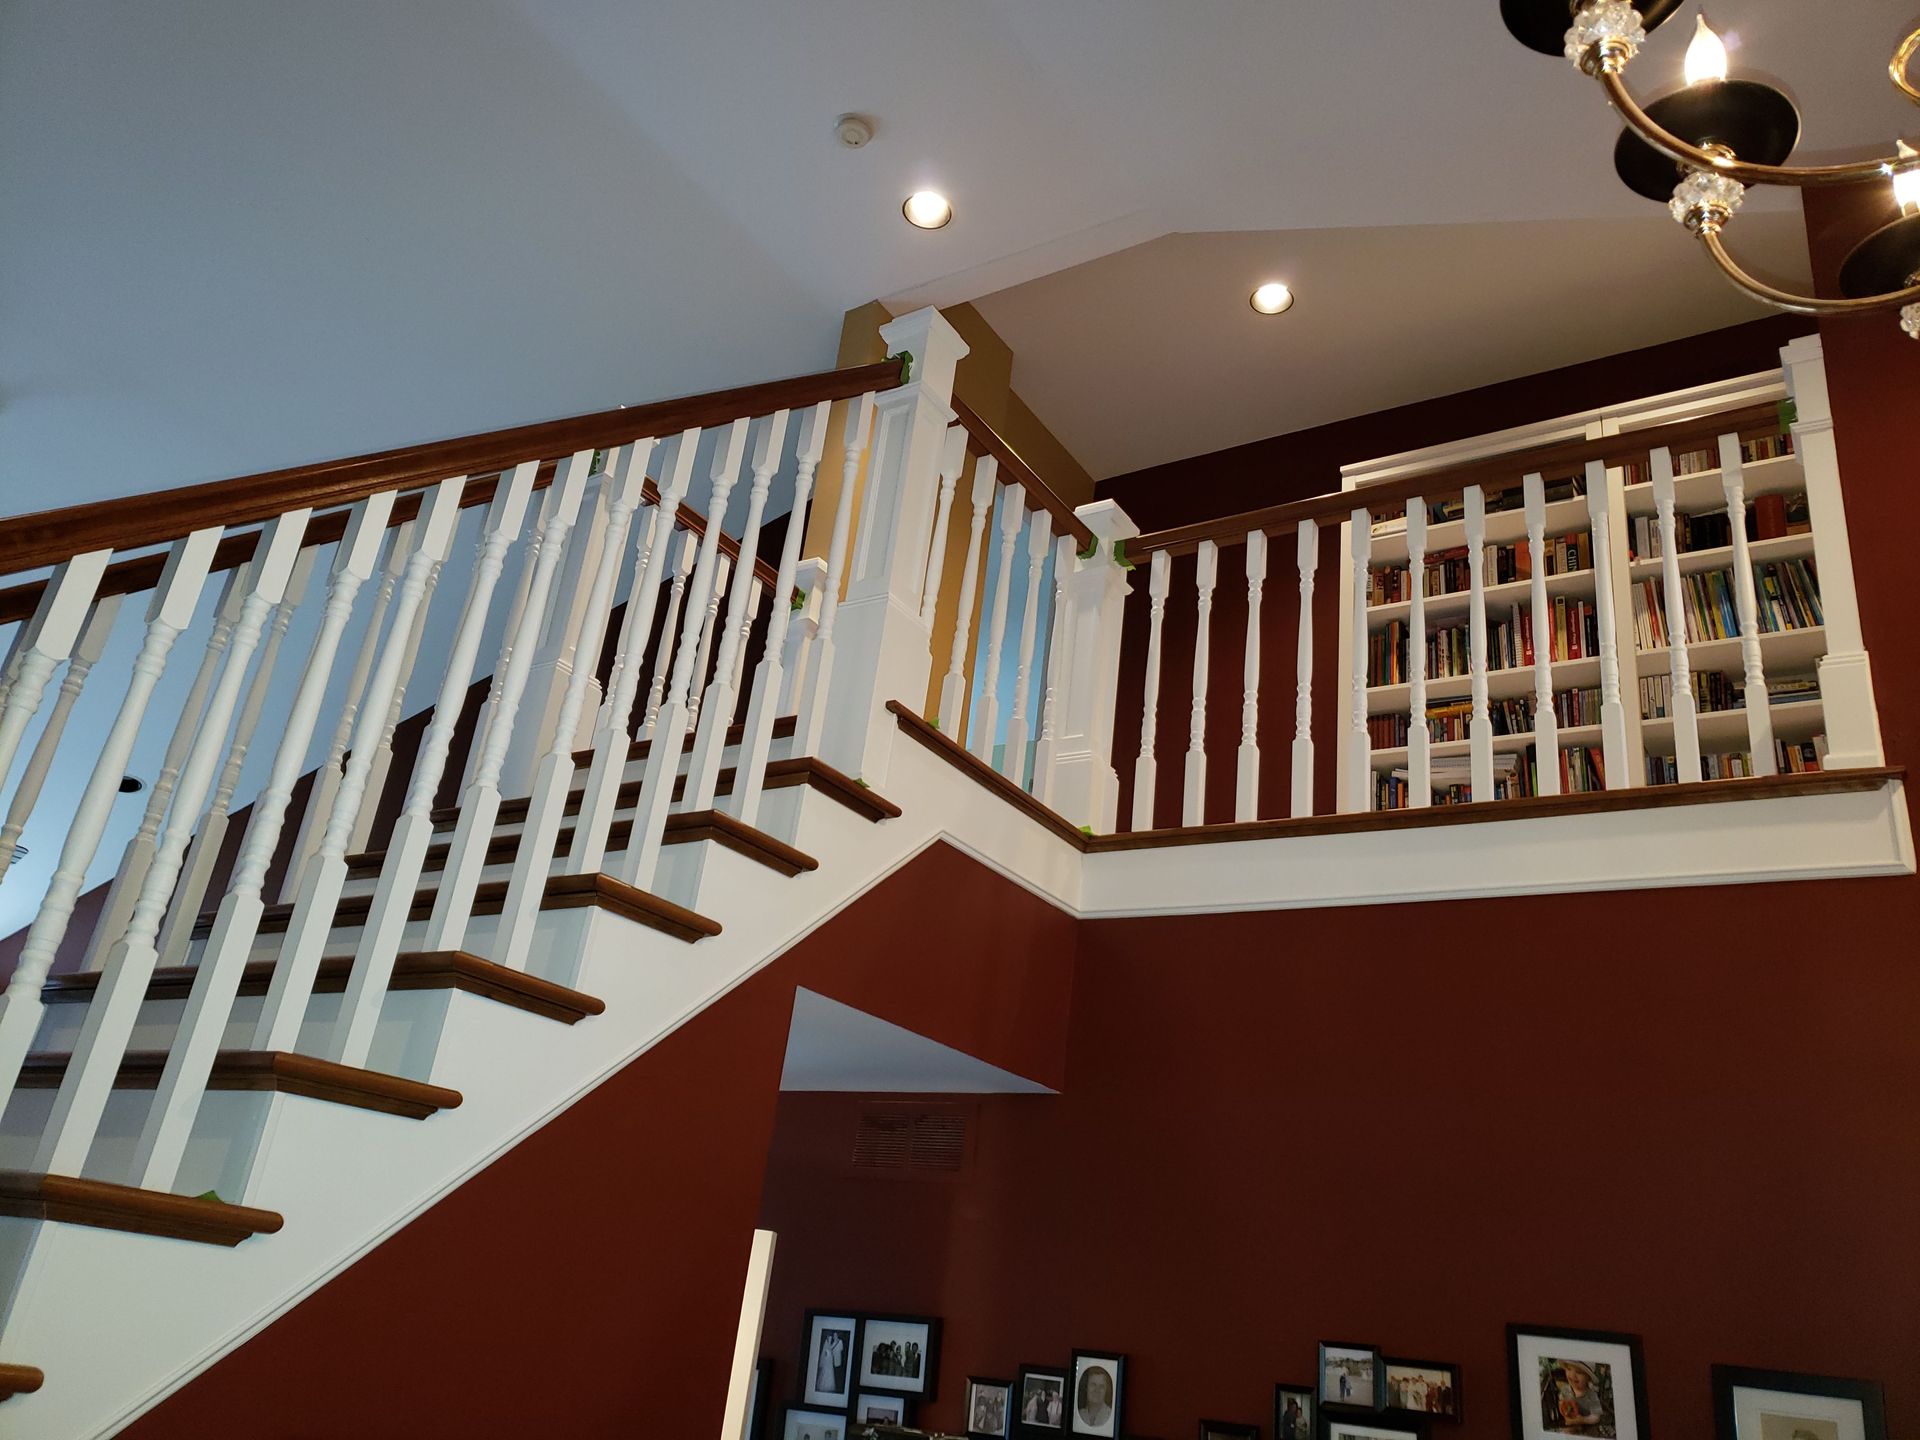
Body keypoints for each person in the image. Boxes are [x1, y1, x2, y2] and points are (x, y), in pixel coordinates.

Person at [1076, 1366, 1115, 1430]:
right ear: (1086, 1388)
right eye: (1093, 1385)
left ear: (1106, 1390)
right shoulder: (1079, 1414)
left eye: (1101, 1386)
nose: (1097, 1390)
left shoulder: (1111, 1416)